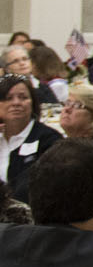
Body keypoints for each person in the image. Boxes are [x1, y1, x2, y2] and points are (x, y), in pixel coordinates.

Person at [2, 72, 59, 205]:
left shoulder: (49, 140)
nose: (16, 103)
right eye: (8, 98)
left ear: (32, 102)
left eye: (23, 97)